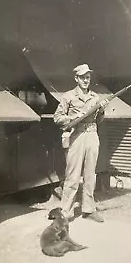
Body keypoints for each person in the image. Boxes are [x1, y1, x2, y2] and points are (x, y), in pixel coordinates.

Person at [53, 64, 107, 223]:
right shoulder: (68, 96)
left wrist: (102, 110)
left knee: (90, 174)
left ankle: (89, 210)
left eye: (88, 77)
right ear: (76, 78)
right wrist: (74, 117)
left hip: (92, 135)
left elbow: (99, 121)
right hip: (76, 136)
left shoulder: (95, 97)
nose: (85, 80)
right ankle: (66, 212)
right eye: (82, 77)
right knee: (73, 175)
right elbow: (57, 118)